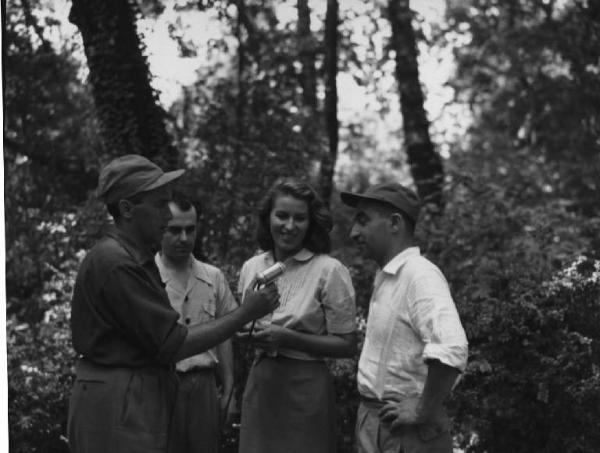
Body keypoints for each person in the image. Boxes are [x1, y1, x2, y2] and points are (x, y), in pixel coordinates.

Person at [67, 154, 279, 453]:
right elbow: (172, 343)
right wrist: (246, 312)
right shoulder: (117, 264)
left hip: (131, 396)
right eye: (158, 205)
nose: (168, 217)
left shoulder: (129, 257)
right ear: (127, 209)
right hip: (119, 403)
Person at [340, 182, 468, 453]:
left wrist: (423, 409)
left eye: (363, 221)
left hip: (407, 434)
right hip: (376, 421)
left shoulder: (420, 275)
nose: (353, 232)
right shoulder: (388, 275)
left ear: (395, 223)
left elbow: (452, 347)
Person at [237, 178, 357, 453]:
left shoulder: (329, 270)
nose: (289, 226)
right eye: (282, 215)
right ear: (268, 217)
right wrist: (247, 334)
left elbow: (347, 345)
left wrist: (287, 338)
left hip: (306, 387)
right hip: (262, 383)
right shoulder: (252, 266)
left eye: (299, 218)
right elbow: (244, 322)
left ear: (310, 222)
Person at [155, 195, 237, 453]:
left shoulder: (213, 277)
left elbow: (225, 333)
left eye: (190, 230)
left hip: (203, 385)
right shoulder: (146, 276)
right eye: (175, 230)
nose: (184, 238)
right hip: (161, 383)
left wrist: (229, 387)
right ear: (160, 229)